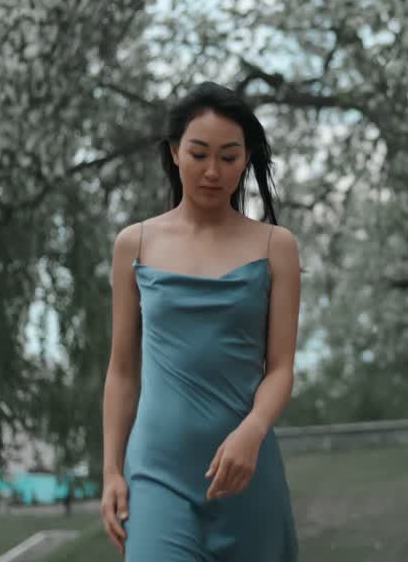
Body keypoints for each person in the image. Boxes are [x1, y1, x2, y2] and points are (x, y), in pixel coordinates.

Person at [100, 82, 301, 561]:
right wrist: (111, 471)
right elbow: (123, 371)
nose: (213, 171)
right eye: (199, 153)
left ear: (246, 160)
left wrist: (253, 429)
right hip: (157, 474)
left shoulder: (276, 247)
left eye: (229, 157)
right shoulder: (135, 244)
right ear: (175, 153)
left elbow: (281, 368)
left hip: (247, 471)